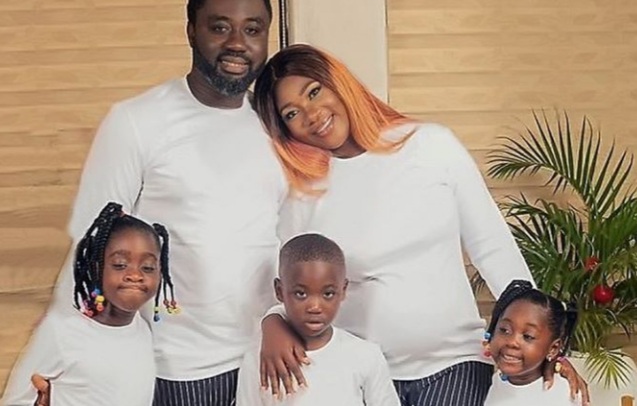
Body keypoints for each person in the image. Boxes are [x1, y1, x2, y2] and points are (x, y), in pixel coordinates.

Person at [251, 44, 590, 406]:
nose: (312, 114)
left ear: (339, 82)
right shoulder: (304, 191)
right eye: (291, 113)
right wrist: (272, 322)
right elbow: (286, 278)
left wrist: (544, 343)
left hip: (455, 364)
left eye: (314, 92)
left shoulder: (430, 145)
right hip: (362, 375)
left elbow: (492, 247)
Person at [48, 0, 286, 406]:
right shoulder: (136, 122)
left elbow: (293, 239)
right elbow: (88, 248)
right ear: (191, 31)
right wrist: (55, 372)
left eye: (253, 30)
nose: (237, 43)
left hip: (267, 364)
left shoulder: (277, 124)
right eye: (220, 27)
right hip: (176, 370)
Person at [1, 202, 176, 406]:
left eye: (148, 267)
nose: (135, 275)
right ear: (96, 267)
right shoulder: (62, 331)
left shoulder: (143, 330)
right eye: (120, 264)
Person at [235, 233, 400, 406]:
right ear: (279, 291)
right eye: (301, 294)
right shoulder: (257, 362)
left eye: (328, 294)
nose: (315, 307)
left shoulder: (366, 357)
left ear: (343, 290)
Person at [483, 280, 580, 405]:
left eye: (528, 336)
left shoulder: (559, 397)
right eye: (504, 330)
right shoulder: (497, 381)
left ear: (553, 349)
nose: (512, 342)